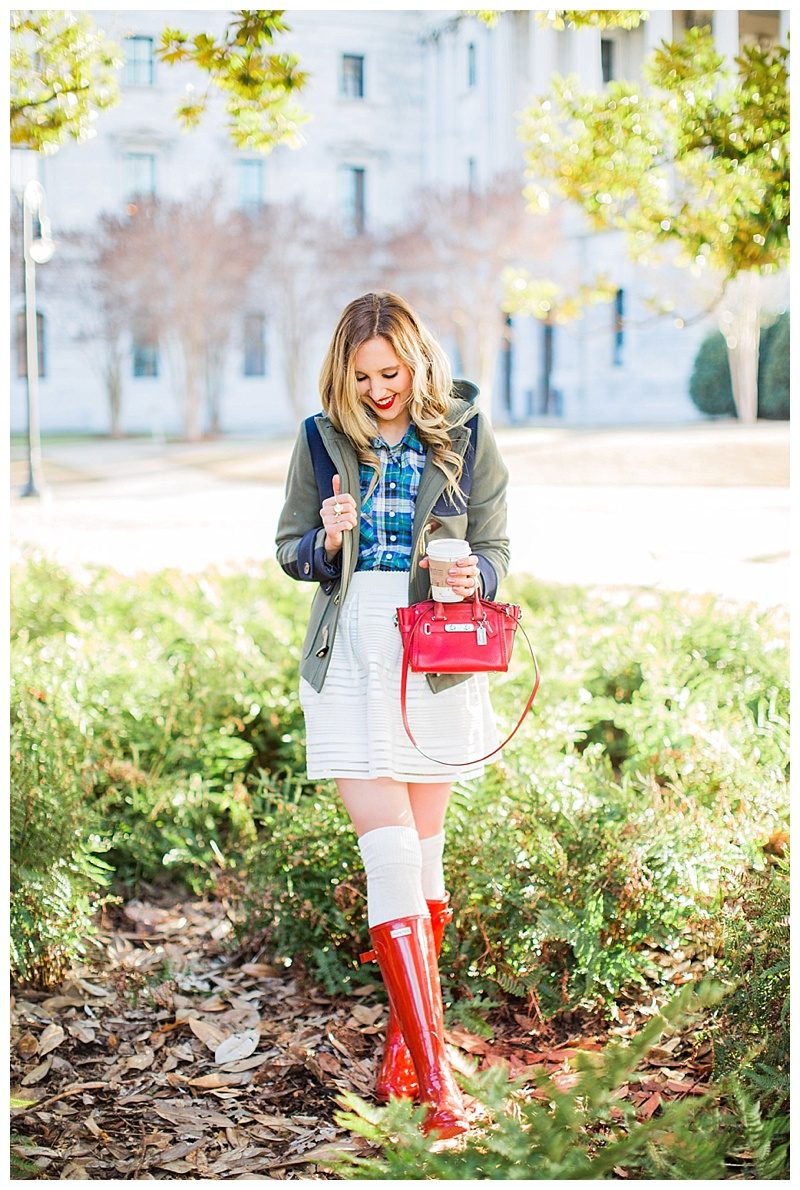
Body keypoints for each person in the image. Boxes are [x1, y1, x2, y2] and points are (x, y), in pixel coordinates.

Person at [275, 290, 509, 1140]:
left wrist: (472, 577)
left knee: (429, 870)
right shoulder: (318, 437)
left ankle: (404, 1060)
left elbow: (497, 549)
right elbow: (288, 550)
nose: (380, 389)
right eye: (364, 375)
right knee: (390, 859)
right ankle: (441, 1093)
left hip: (432, 657)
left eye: (393, 372)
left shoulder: (467, 434)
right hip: (352, 662)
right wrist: (328, 540)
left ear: (418, 363)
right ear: (344, 373)